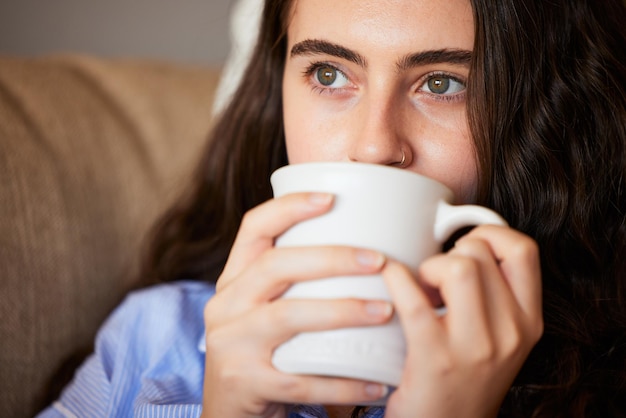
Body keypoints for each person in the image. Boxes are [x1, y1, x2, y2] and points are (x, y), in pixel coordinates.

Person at [38, 0, 626, 416]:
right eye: (328, 73)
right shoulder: (151, 337)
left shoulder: (601, 373)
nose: (373, 146)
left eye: (443, 83)